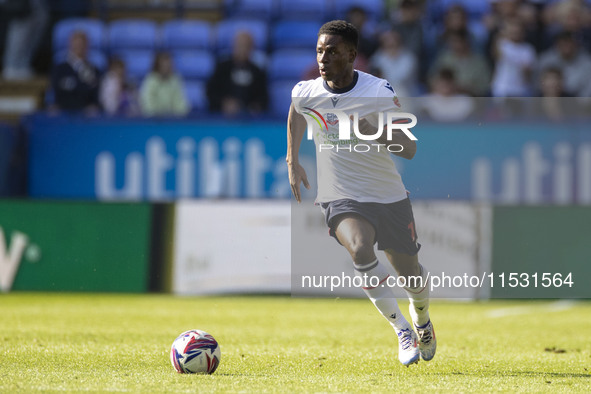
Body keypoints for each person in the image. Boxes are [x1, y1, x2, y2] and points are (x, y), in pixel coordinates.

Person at [287, 20, 435, 367]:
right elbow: (296, 110)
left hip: (388, 196)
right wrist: (292, 158)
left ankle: (422, 318)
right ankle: (401, 330)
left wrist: (378, 132)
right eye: (320, 50)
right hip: (341, 195)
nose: (323, 58)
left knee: (410, 273)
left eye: (332, 51)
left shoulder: (378, 93)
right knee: (359, 247)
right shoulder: (306, 91)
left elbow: (409, 148)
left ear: (352, 55)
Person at [206, 31, 268, 117]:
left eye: (246, 46)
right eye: (240, 45)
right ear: (233, 46)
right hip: (221, 118)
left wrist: (254, 107)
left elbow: (263, 98)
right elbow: (210, 92)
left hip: (249, 121)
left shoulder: (257, 72)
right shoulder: (222, 68)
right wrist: (224, 103)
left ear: (251, 48)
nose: (242, 49)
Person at [49, 30, 100, 114]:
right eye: (76, 44)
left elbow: (94, 95)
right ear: (70, 45)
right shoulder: (59, 69)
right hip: (62, 113)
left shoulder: (94, 70)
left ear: (87, 46)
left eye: (82, 44)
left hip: (86, 116)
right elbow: (56, 92)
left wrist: (93, 106)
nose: (79, 47)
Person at [429, 29, 491, 97]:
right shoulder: (444, 58)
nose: (454, 44)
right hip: (444, 98)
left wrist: (465, 89)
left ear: (465, 41)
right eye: (451, 42)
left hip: (470, 99)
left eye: (457, 41)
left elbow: (484, 86)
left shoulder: (479, 62)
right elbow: (432, 78)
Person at [538, 31, 591, 97]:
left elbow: (589, 88)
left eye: (569, 43)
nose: (566, 46)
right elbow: (538, 84)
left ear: (575, 44)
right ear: (556, 45)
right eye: (562, 43)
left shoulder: (586, 62)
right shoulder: (546, 60)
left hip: (579, 101)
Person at [370, 28, 418, 98]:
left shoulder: (409, 58)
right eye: (387, 41)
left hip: (405, 92)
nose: (391, 43)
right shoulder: (378, 57)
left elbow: (400, 80)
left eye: (393, 41)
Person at [139, 52, 190, 117]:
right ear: (157, 66)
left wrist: (176, 115)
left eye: (169, 65)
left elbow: (181, 104)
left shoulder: (176, 80)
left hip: (173, 120)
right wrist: (158, 116)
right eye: (164, 65)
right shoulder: (150, 81)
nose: (167, 67)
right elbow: (147, 105)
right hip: (153, 120)